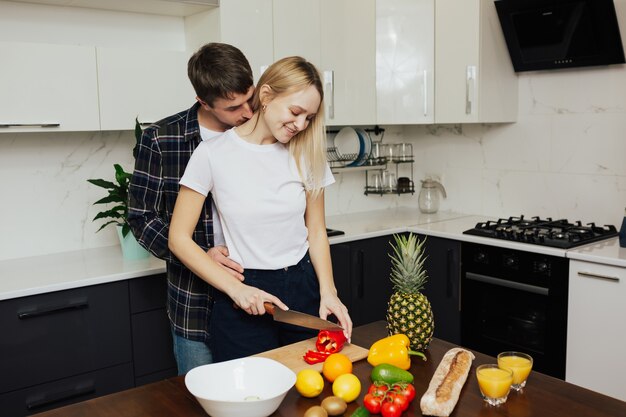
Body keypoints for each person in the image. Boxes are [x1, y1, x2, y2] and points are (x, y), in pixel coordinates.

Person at [168, 56, 353, 362]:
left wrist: (328, 292)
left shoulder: (306, 152)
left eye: (309, 117)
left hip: (302, 286)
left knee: (307, 393)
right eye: (296, 112)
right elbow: (178, 239)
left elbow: (317, 231)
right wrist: (235, 290)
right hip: (243, 293)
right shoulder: (213, 154)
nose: (301, 125)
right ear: (266, 96)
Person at [127, 43, 255, 374]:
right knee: (200, 401)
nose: (248, 114)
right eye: (233, 107)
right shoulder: (160, 138)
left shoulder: (259, 135)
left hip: (256, 293)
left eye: (250, 100)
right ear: (204, 102)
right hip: (194, 304)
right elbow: (142, 218)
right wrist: (201, 254)